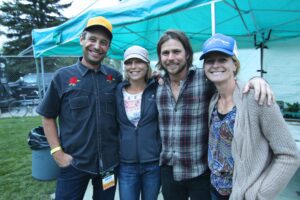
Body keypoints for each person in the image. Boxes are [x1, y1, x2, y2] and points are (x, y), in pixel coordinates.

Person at [155, 29, 275, 200]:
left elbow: (229, 80)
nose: (171, 57)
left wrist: (256, 80)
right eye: (165, 53)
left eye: (176, 51)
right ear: (159, 57)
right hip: (169, 171)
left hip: (201, 171)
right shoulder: (156, 86)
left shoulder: (204, 78)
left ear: (187, 54)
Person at [200, 33, 300, 200]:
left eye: (223, 59)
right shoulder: (213, 100)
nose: (215, 65)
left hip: (243, 194)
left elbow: (289, 155)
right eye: (210, 61)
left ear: (235, 65)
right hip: (215, 190)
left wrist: (260, 194)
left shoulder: (256, 99)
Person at [36, 16, 122, 199]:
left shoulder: (115, 78)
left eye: (103, 42)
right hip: (74, 164)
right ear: (82, 39)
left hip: (109, 165)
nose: (97, 46)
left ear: (108, 47)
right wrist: (57, 152)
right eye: (92, 39)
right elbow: (47, 116)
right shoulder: (62, 77)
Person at [116, 45, 161, 200]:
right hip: (126, 164)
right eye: (129, 62)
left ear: (147, 64)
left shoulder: (158, 88)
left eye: (139, 61)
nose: (134, 66)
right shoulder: (117, 91)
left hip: (153, 163)